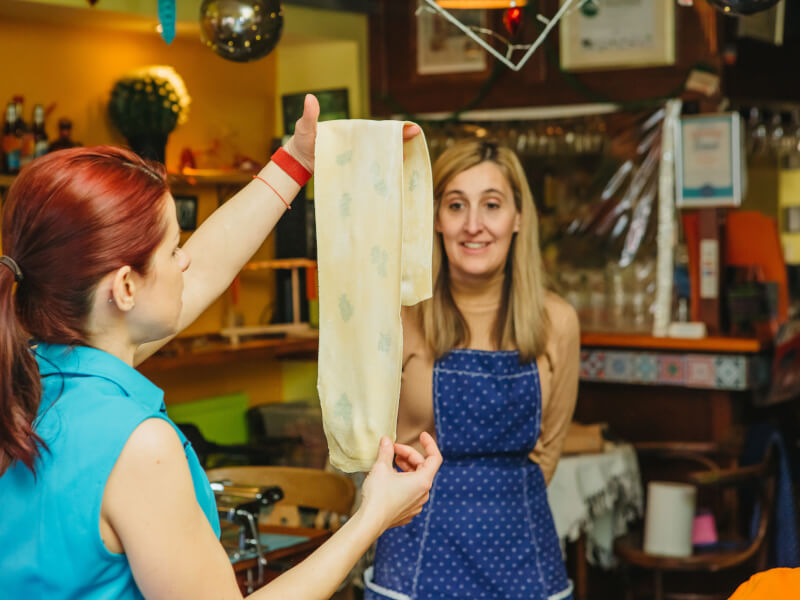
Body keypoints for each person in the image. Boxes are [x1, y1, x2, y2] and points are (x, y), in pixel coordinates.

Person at [0, 95, 442, 599]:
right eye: (172, 250)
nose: (184, 264)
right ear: (124, 288)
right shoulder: (138, 447)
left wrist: (295, 160)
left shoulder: (26, 381)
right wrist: (372, 517)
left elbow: (206, 266)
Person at [365, 139, 580, 600]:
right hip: (415, 551)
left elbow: (548, 453)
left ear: (518, 218)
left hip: (523, 552)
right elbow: (367, 447)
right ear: (435, 218)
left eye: (492, 205)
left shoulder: (556, 322)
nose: (473, 225)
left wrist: (493, 509)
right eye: (456, 205)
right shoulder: (397, 319)